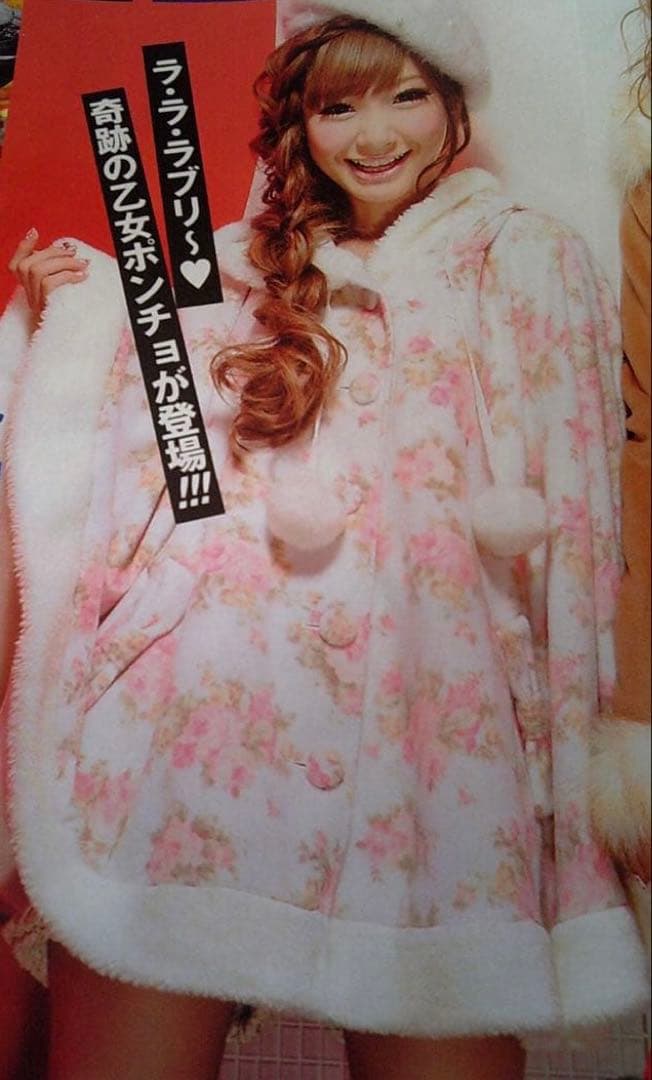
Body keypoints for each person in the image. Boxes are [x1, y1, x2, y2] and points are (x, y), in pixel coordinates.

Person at [1, 1, 649, 1077]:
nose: (374, 134)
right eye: (338, 106)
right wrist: (74, 313)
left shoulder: (529, 260)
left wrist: (582, 766)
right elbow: (156, 451)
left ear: (454, 107)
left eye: (407, 96)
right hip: (201, 728)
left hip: (434, 751)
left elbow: (579, 519)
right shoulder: (240, 266)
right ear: (301, 123)